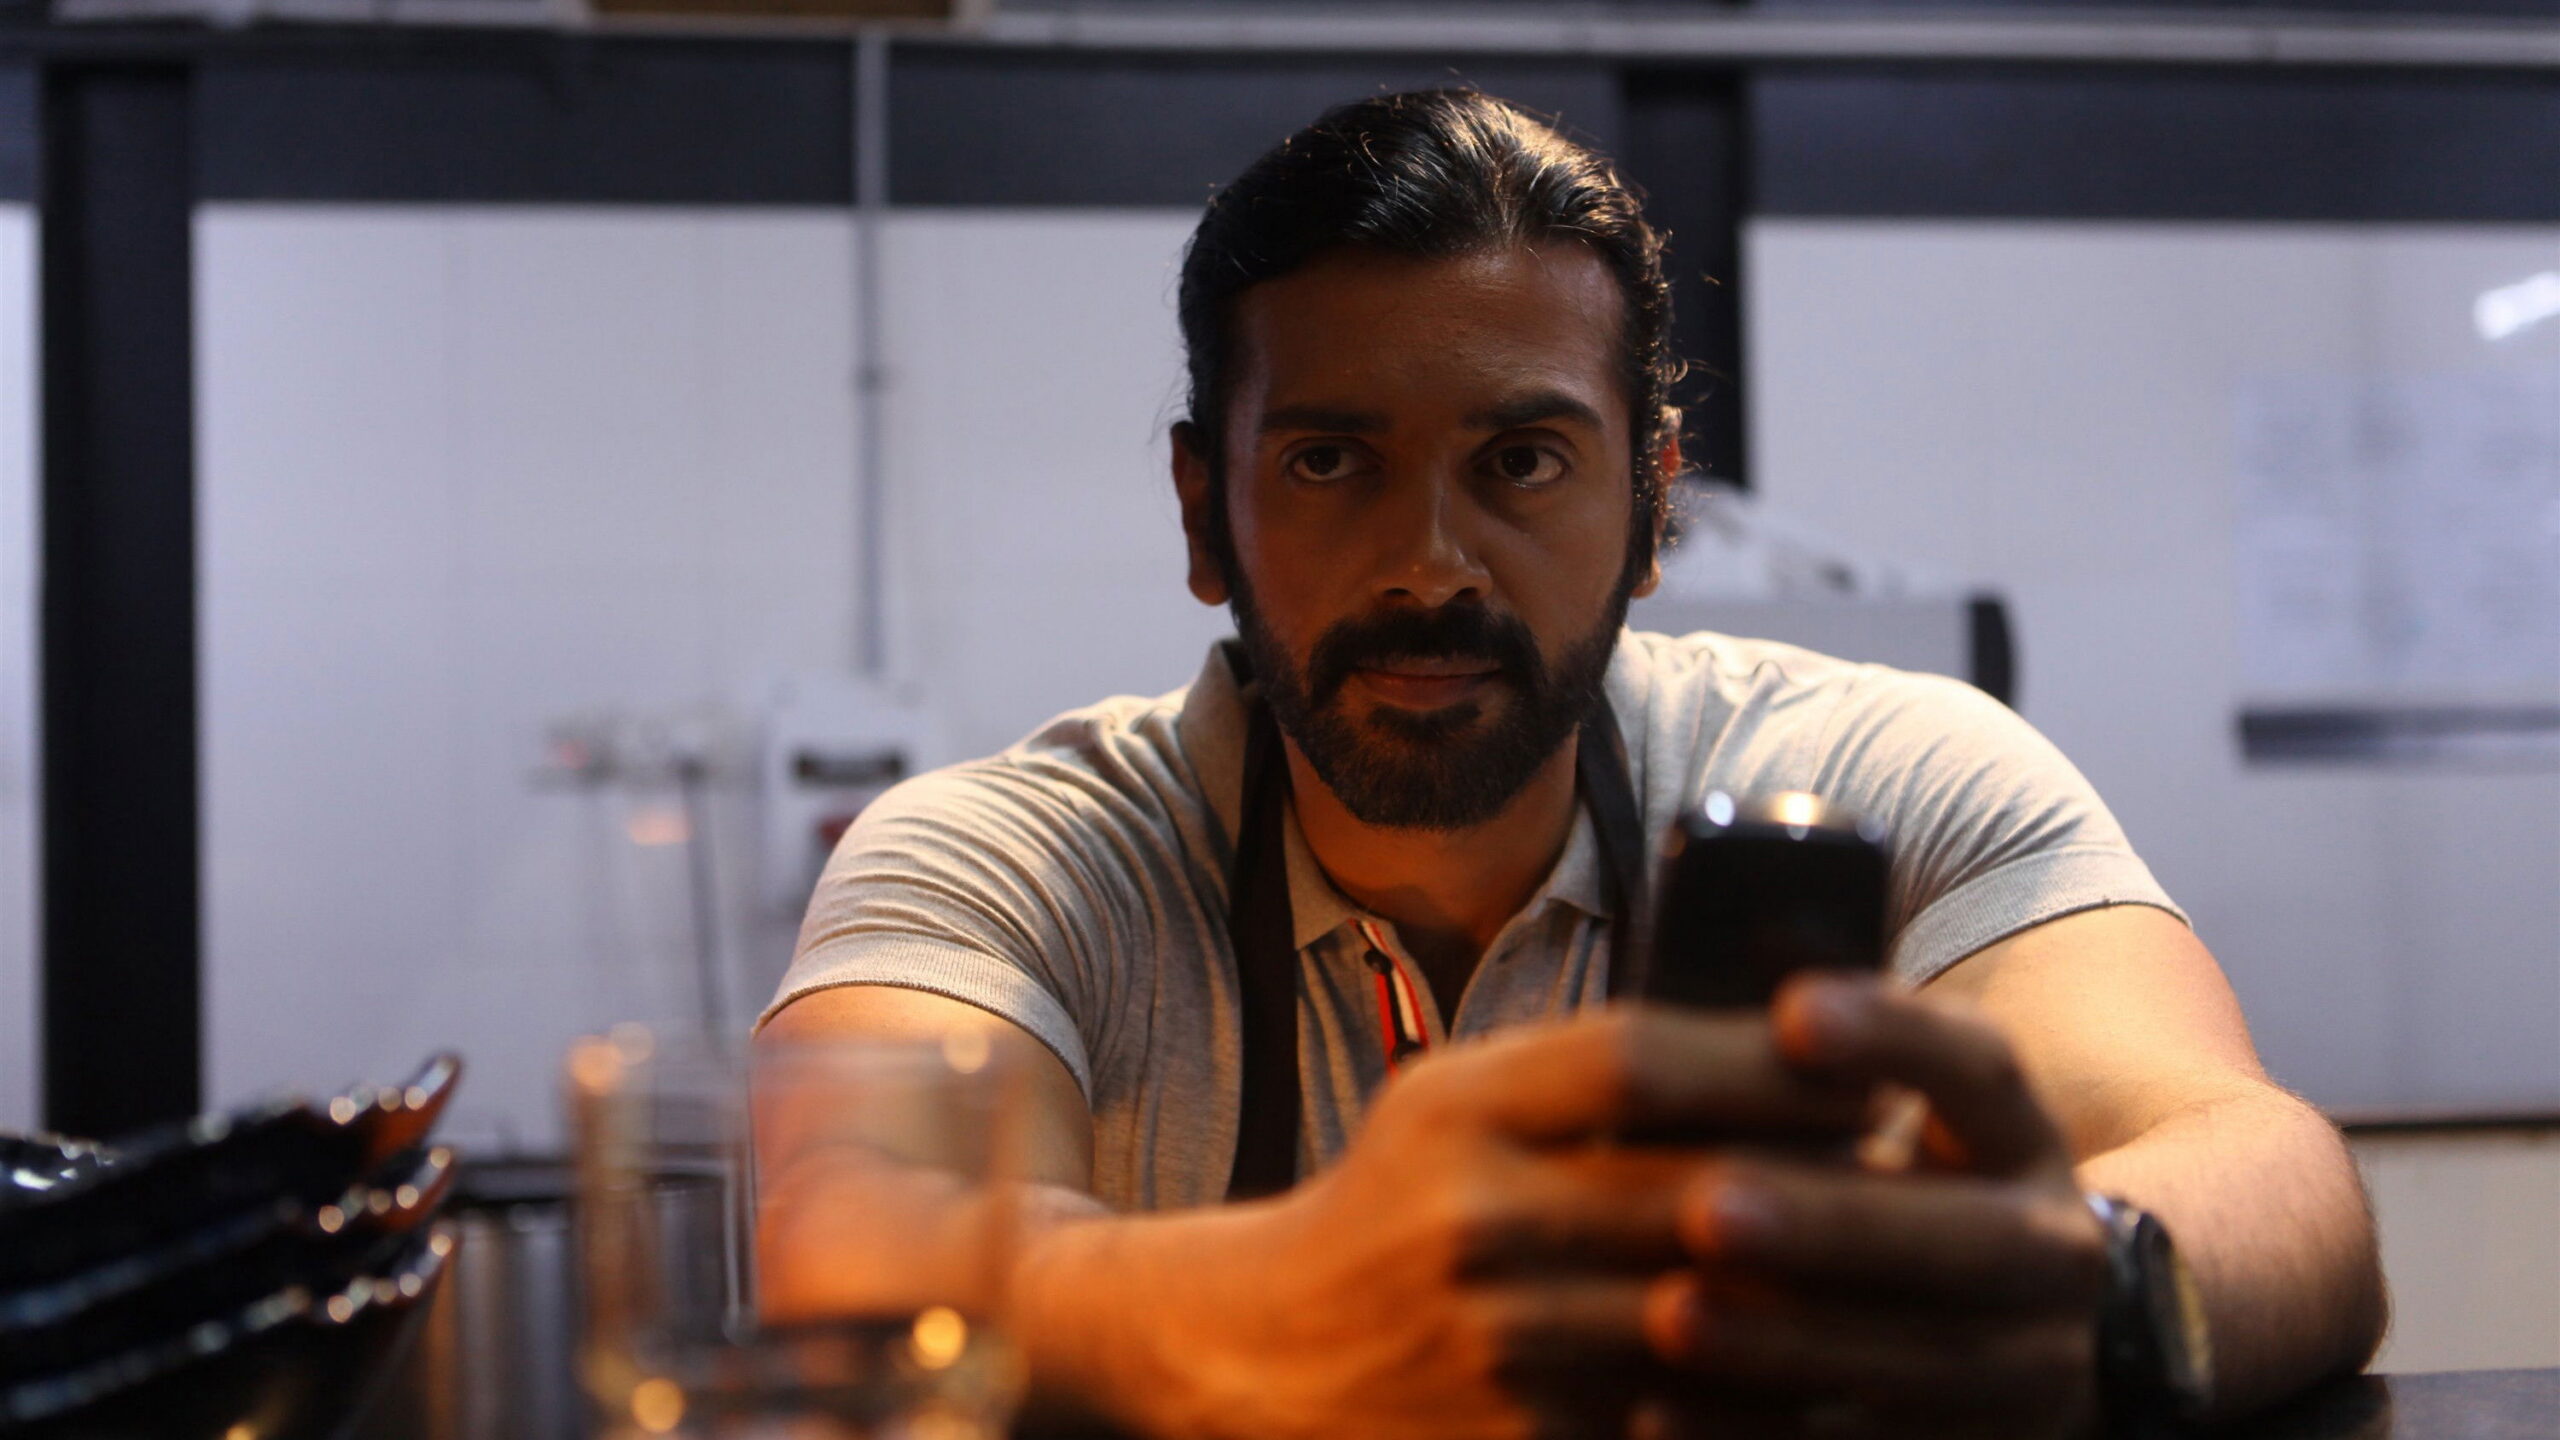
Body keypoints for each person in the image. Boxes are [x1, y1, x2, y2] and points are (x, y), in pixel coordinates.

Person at [757, 90, 2384, 1438]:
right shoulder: (999, 858)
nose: (1431, 562)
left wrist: (2088, 1299)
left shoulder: (1888, 775)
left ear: (1654, 504)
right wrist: (1296, 1301)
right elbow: (848, 1240)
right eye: (1329, 461)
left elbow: (2272, 1178)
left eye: (1523, 460)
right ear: (1206, 512)